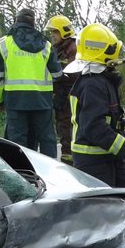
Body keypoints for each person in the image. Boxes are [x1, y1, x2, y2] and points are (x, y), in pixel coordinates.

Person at [64, 23, 125, 187]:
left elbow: (96, 113)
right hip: (94, 160)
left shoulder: (100, 79)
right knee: (109, 208)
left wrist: (117, 113)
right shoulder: (93, 84)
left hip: (108, 154)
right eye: (113, 49)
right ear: (101, 51)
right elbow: (93, 126)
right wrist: (123, 146)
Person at [0, 8, 62, 158]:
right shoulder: (46, 45)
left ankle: (21, 175)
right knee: (47, 138)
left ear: (16, 21)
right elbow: (57, 74)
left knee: (18, 142)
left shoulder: (4, 43)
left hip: (15, 101)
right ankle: (52, 174)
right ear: (33, 23)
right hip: (42, 101)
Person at [45, 15, 77, 165]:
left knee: (67, 126)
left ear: (64, 32)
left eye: (55, 32)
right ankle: (67, 157)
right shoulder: (57, 49)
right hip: (61, 93)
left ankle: (69, 159)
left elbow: (73, 73)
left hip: (69, 94)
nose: (52, 36)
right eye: (51, 33)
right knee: (62, 127)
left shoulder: (72, 48)